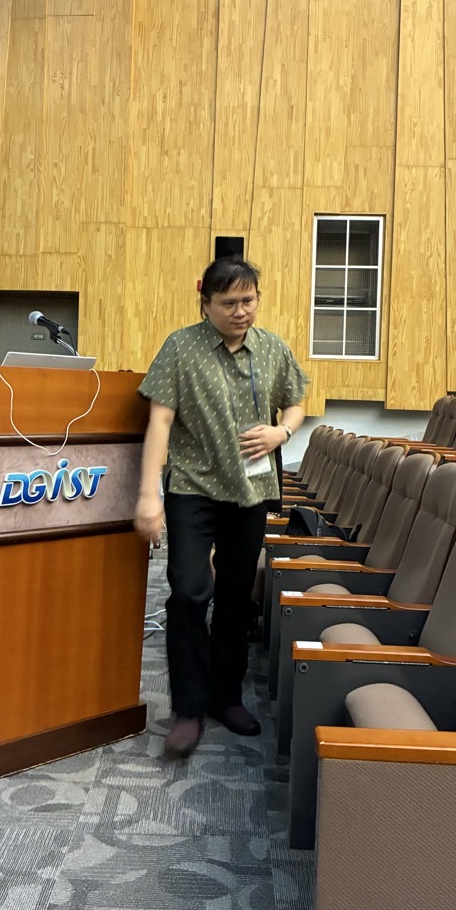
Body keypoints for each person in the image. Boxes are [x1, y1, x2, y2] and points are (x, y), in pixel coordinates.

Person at [134, 257, 308, 757]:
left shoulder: (272, 348)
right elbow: (160, 421)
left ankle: (225, 698)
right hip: (193, 489)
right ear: (205, 303)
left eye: (248, 301)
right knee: (189, 593)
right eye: (229, 303)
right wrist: (149, 495)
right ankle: (187, 709)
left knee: (235, 597)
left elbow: (296, 401)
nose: (240, 312)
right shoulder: (180, 347)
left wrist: (282, 431)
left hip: (250, 493)